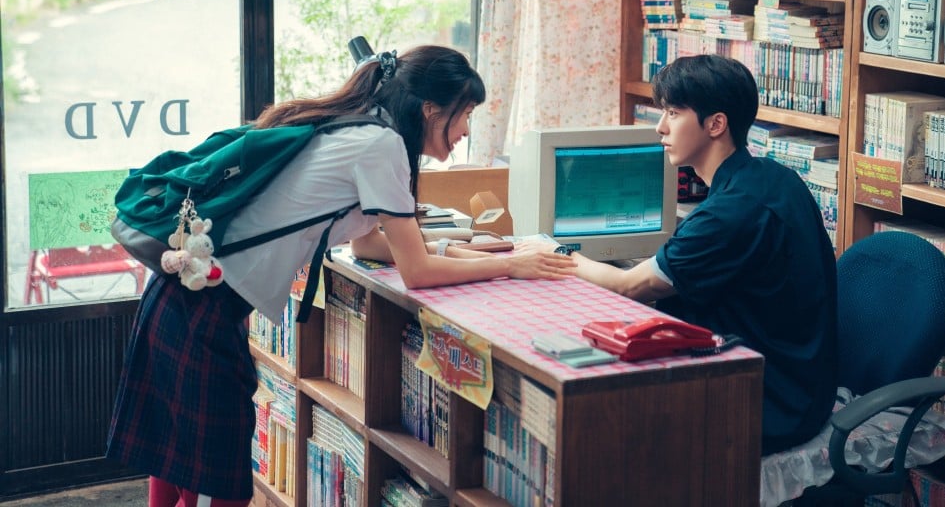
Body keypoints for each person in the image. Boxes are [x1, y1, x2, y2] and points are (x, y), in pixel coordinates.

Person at [107, 44, 577, 507]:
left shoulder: (363, 123)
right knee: (218, 483)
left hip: (184, 294)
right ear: (432, 109)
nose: (466, 130)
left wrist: (468, 252)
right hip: (202, 305)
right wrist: (511, 264)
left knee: (175, 460)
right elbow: (416, 272)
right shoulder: (384, 144)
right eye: (466, 113)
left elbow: (368, 243)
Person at [521, 54, 837, 456]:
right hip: (797, 383)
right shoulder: (774, 178)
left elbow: (630, 286)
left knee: (593, 417)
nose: (660, 127)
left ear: (716, 124)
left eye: (673, 112)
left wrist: (555, 251)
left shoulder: (729, 213)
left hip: (766, 400)